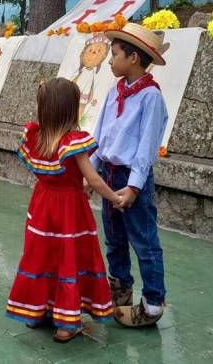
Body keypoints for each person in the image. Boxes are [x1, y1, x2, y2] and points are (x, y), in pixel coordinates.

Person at [6, 78, 121, 342]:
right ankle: (67, 324)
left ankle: (38, 312)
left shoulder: (36, 136)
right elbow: (93, 180)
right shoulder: (72, 141)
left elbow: (54, 173)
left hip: (43, 204)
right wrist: (115, 198)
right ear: (70, 109)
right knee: (69, 258)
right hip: (70, 209)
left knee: (41, 255)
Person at [90, 22, 169, 328]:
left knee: (144, 241)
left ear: (133, 59)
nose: (110, 60)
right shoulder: (116, 92)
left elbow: (147, 148)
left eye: (115, 54)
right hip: (109, 175)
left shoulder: (150, 97)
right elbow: (100, 136)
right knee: (114, 238)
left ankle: (151, 304)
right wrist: (92, 172)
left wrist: (134, 187)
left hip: (129, 179)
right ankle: (120, 288)